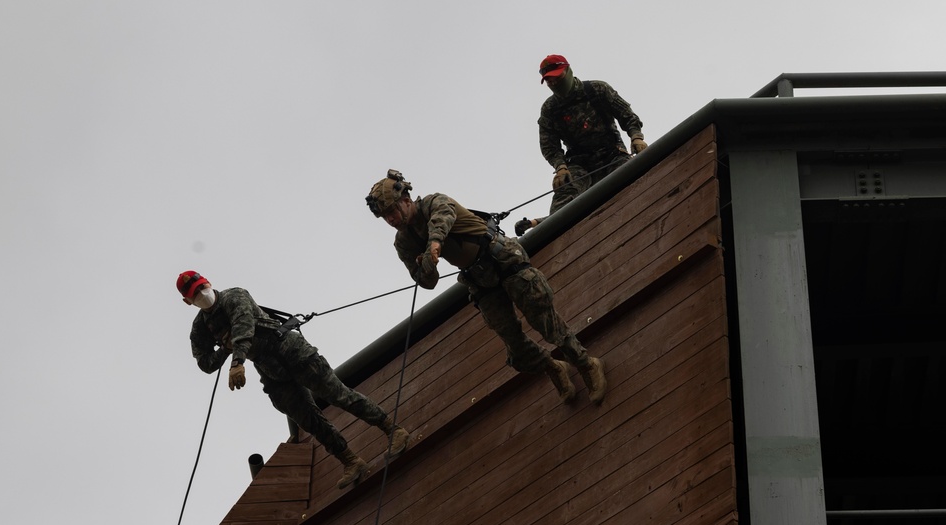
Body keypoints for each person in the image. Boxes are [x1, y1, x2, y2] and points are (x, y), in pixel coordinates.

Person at [365, 170, 607, 406]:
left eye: (392, 211)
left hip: (502, 260)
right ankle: (553, 367)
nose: (391, 220)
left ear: (406, 201)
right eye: (385, 217)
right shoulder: (404, 241)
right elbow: (426, 282)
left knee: (545, 320)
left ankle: (586, 363)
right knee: (514, 345)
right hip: (480, 280)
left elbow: (443, 218)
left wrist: (434, 244)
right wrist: (425, 268)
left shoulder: (434, 202)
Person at [176, 271, 409, 489]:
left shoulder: (234, 295)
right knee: (308, 419)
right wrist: (225, 350)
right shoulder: (200, 328)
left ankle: (392, 429)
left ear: (209, 282)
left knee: (338, 395)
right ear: (188, 302)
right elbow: (205, 363)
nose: (202, 294)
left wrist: (237, 361)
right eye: (195, 294)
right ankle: (350, 460)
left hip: (290, 350)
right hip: (271, 370)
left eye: (202, 287)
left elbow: (243, 326)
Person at [516, 54, 647, 237]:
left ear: (568, 71)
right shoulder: (550, 109)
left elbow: (626, 115)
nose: (553, 84)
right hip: (579, 163)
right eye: (549, 81)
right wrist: (560, 167)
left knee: (633, 181)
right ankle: (548, 233)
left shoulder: (597, 89)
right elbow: (550, 146)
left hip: (612, 154)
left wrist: (636, 138)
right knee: (565, 194)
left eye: (557, 78)